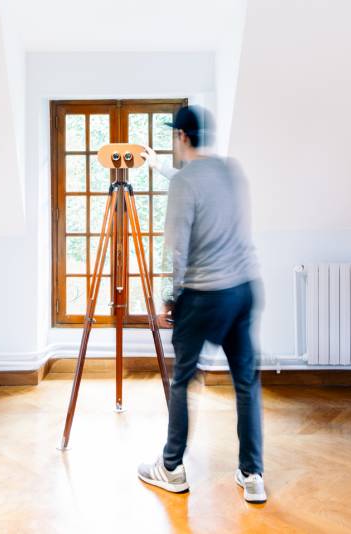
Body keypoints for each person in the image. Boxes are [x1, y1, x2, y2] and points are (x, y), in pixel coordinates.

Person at [136, 106, 266, 504]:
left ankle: (171, 468)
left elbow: (176, 247)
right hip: (243, 289)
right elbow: (200, 190)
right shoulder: (229, 171)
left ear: (181, 137)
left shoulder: (185, 182)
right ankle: (252, 475)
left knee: (182, 380)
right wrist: (160, 167)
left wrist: (169, 298)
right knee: (246, 382)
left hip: (203, 295)